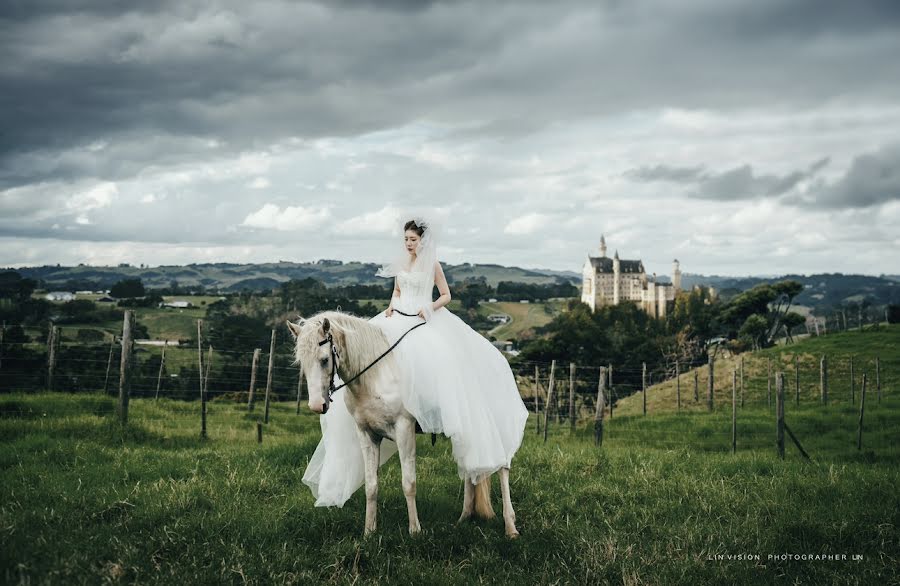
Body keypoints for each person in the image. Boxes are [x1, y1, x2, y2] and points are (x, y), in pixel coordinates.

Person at [302, 215, 529, 507]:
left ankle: (429, 408)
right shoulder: (400, 264)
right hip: (398, 318)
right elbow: (397, 291)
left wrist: (429, 308)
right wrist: (389, 308)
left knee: (435, 361)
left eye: (413, 240)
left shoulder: (432, 265)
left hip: (424, 319)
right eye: (406, 240)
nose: (409, 244)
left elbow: (446, 295)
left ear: (423, 241)